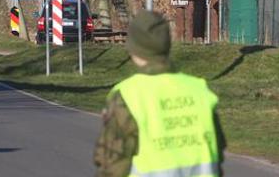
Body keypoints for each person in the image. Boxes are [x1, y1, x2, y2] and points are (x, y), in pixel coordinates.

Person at [94, 11, 226, 177]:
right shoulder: (200, 90)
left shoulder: (128, 96)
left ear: (134, 48)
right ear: (167, 45)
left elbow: (112, 166)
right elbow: (217, 154)